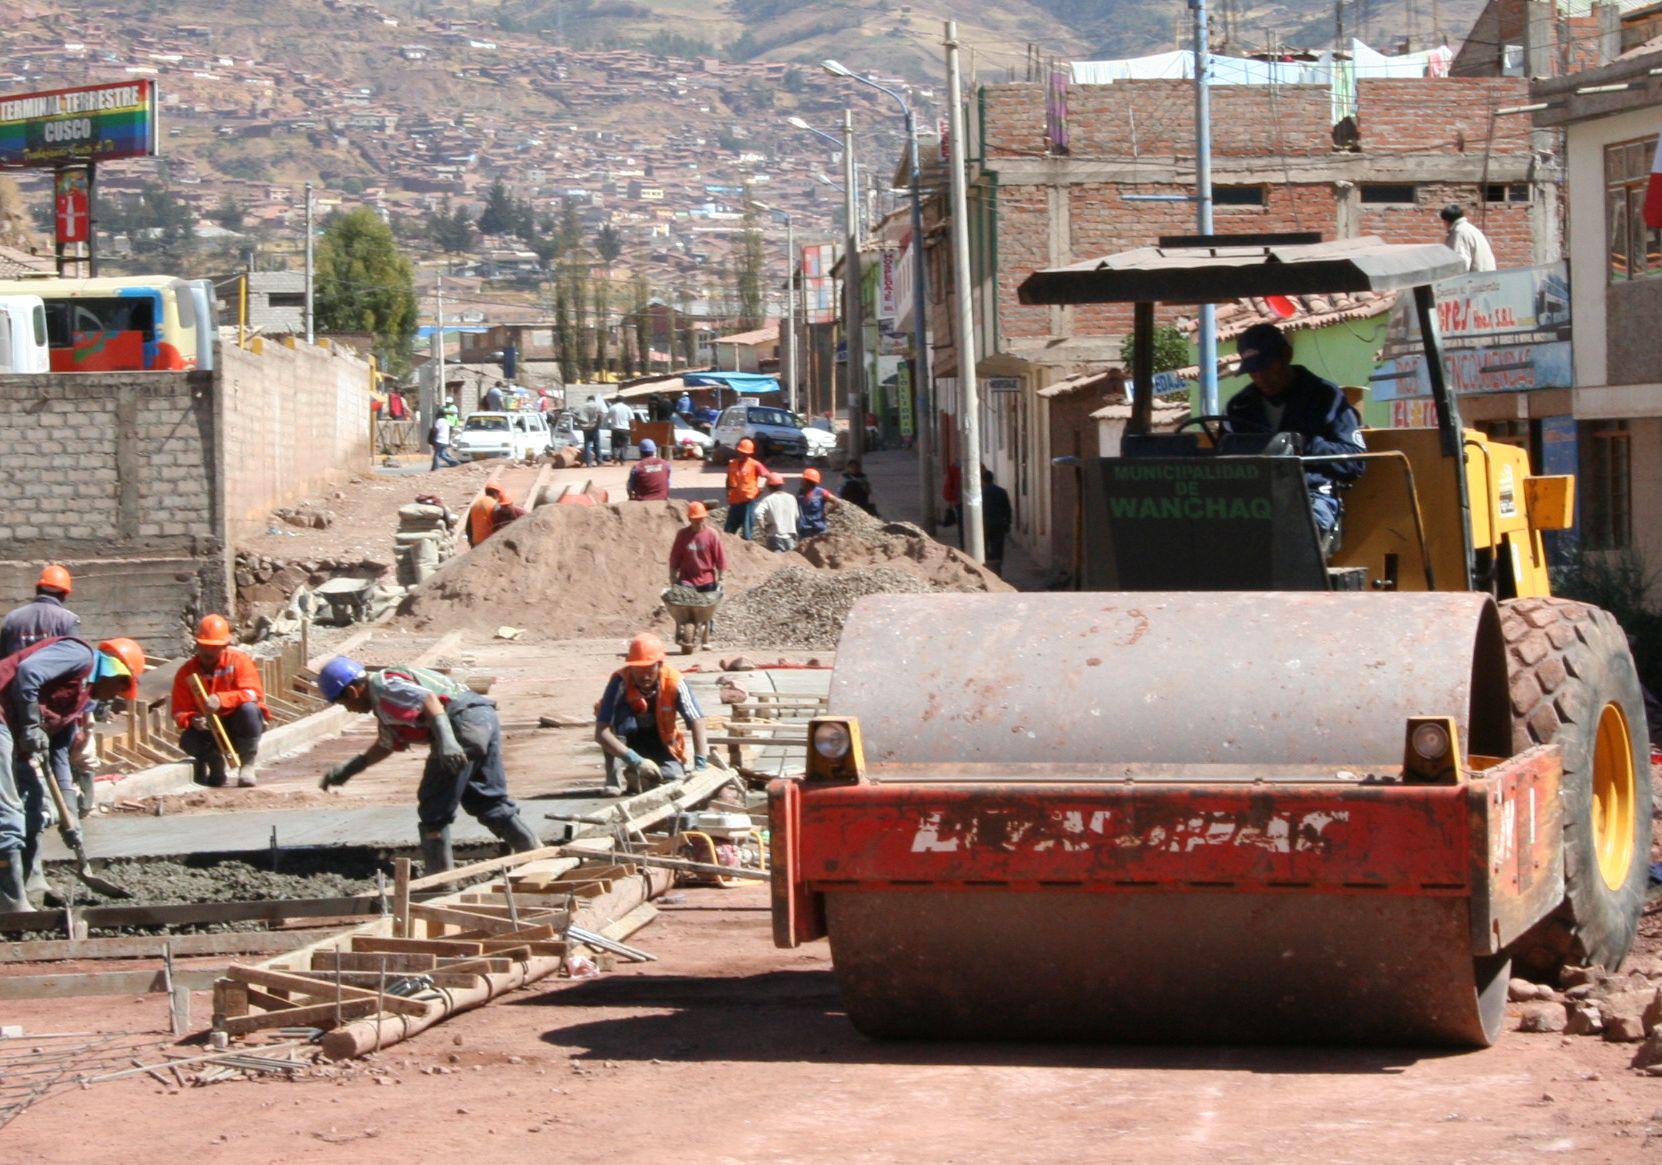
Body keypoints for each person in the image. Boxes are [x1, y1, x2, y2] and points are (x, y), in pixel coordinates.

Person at [316, 657, 541, 874]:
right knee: (485, 800)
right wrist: (350, 769)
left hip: (461, 723)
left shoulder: (385, 687)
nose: (348, 709)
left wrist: (449, 743)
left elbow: (429, 700)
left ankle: (440, 878)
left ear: (352, 691)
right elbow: (387, 744)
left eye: (343, 702)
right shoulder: (384, 704)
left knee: (433, 805)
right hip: (481, 718)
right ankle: (535, 856)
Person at [0, 636, 145, 911]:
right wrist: (32, 725)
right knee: (8, 814)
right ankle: (9, 901)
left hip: (12, 734)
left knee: (33, 808)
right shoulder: (79, 655)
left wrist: (71, 818)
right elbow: (28, 672)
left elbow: (59, 759)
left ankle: (33, 883)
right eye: (120, 688)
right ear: (116, 671)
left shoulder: (80, 701)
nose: (116, 696)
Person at [1225, 322, 1366, 541]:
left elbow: (1355, 462)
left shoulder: (1326, 397)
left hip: (1312, 496)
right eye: (1253, 371)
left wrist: (1304, 447)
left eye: (1267, 367)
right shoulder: (1238, 407)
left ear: (1286, 355)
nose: (1261, 377)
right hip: (1252, 501)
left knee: (1293, 534)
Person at [594, 632, 710, 794]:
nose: (645, 675)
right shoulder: (620, 681)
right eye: (639, 669)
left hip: (662, 741)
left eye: (650, 668)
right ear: (631, 667)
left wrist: (700, 764)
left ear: (660, 665)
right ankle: (614, 776)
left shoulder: (674, 681)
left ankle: (640, 775)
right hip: (627, 743)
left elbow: (697, 720)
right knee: (617, 720)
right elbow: (601, 733)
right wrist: (635, 760)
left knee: (672, 778)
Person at [170, 614, 267, 788]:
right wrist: (192, 719)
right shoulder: (186, 672)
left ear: (225, 646)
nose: (209, 652)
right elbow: (178, 712)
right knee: (188, 741)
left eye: (214, 647)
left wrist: (222, 699)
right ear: (197, 644)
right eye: (205, 646)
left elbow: (254, 694)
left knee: (249, 710)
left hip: (237, 725)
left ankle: (247, 765)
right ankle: (215, 763)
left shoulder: (238, 661)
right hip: (210, 730)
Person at [1, 565, 80, 658]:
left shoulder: (11, 618)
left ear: (37, 589)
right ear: (65, 594)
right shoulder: (68, 620)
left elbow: (2, 661)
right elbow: (74, 659)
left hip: (16, 672)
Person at [669, 502, 727, 593]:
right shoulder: (682, 535)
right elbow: (675, 558)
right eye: (696, 519)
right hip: (687, 581)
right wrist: (672, 577)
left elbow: (720, 558)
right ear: (689, 519)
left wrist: (721, 579)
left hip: (707, 582)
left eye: (701, 519)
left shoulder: (712, 535)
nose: (699, 522)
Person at [724, 437, 767, 539]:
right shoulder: (732, 463)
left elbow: (769, 476)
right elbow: (728, 479)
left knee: (747, 532)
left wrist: (760, 490)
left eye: (746, 453)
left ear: (750, 454)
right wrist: (727, 491)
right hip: (734, 501)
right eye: (741, 452)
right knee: (728, 531)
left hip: (748, 502)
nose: (743, 455)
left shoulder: (755, 464)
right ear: (738, 451)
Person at [1441, 204, 1496, 273]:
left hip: (1477, 279)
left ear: (1446, 221)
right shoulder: (1469, 228)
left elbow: (1461, 262)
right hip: (1488, 275)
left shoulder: (1459, 232)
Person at [753, 473, 801, 552]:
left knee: (776, 561)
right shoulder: (791, 498)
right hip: (790, 537)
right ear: (781, 485)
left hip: (774, 537)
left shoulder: (768, 499)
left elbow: (757, 512)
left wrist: (763, 526)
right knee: (791, 561)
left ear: (769, 486)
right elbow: (796, 516)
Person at [980, 467, 1014, 577]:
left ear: (983, 480)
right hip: (998, 523)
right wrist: (1008, 523)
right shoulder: (1001, 491)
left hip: (983, 524)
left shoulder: (980, 492)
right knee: (998, 548)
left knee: (983, 547)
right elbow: (1007, 509)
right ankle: (997, 571)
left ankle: (986, 570)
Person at [796, 467, 833, 538]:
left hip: (818, 528)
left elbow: (836, 501)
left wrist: (827, 512)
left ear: (808, 481)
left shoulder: (821, 492)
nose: (801, 481)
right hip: (805, 529)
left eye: (803, 480)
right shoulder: (800, 493)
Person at [607, 396, 635, 465]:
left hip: (615, 429)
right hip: (625, 429)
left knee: (614, 444)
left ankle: (616, 455)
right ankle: (623, 461)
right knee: (624, 445)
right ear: (623, 401)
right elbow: (632, 419)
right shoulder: (627, 408)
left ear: (616, 400)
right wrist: (633, 427)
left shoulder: (612, 407)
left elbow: (607, 417)